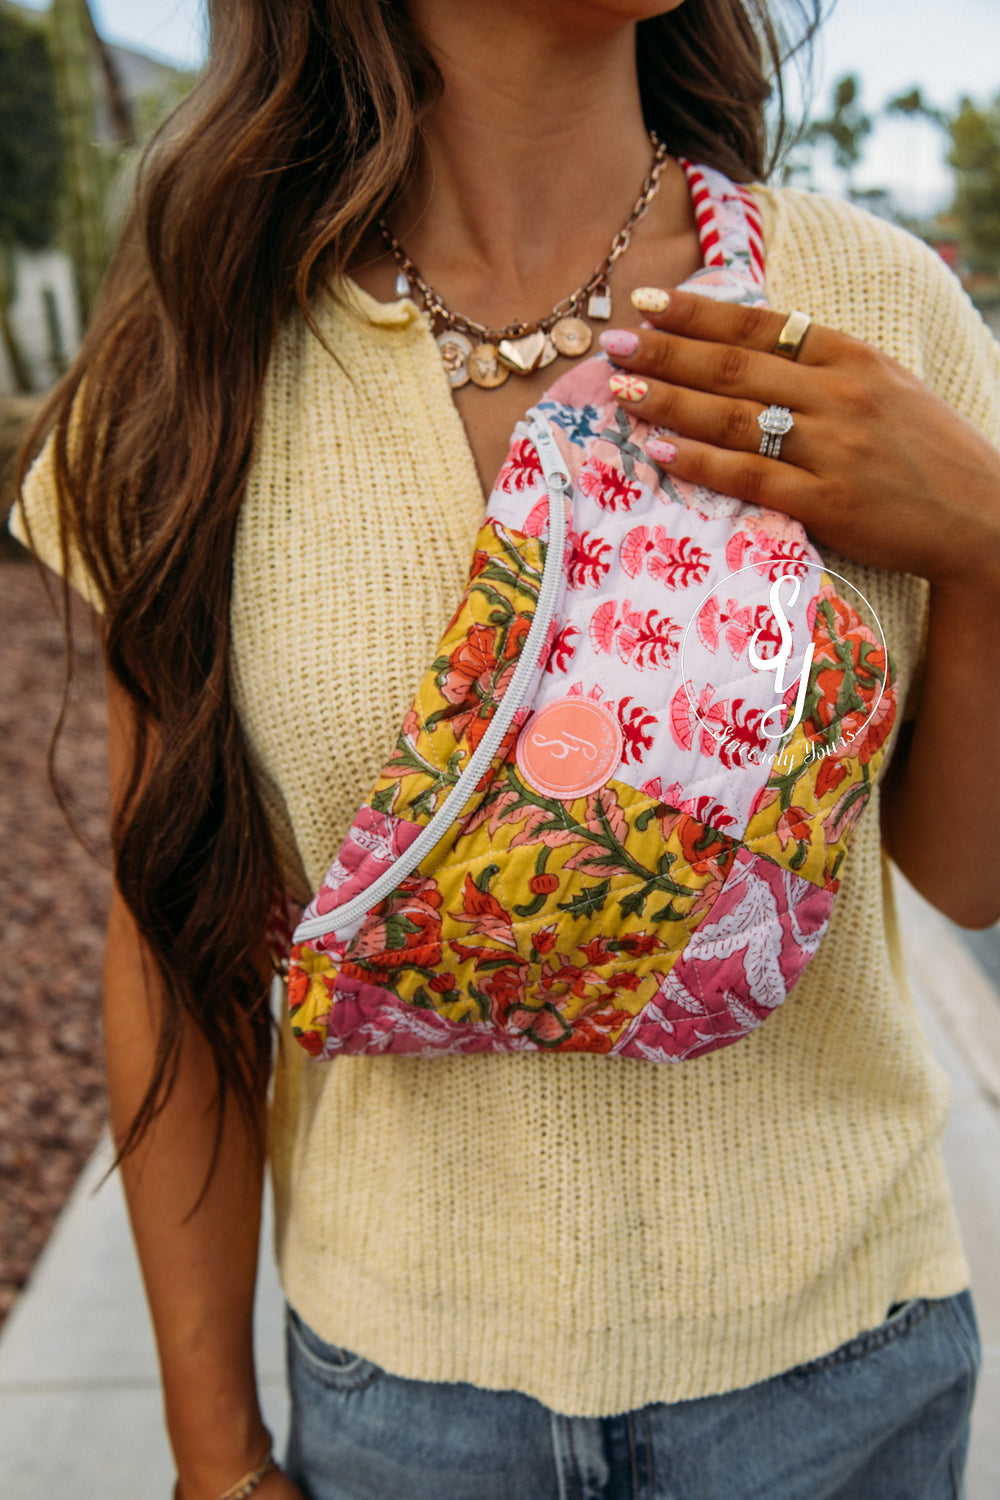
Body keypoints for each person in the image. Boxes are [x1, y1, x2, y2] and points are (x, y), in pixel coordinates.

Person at [11, 1, 1000, 1496]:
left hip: (841, 1377)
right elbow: (173, 946)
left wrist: (988, 538)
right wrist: (213, 1457)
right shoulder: (199, 365)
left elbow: (968, 879)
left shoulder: (875, 305)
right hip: (404, 1408)